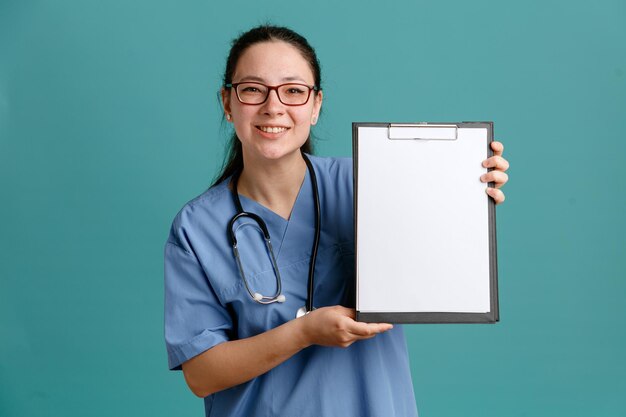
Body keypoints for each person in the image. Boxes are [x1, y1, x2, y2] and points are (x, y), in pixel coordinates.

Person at [164, 25, 509, 417]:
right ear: (228, 103)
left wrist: (467, 186)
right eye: (253, 89)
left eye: (293, 90)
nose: (273, 106)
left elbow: (440, 251)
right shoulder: (197, 228)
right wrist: (304, 332)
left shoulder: (371, 183)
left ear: (315, 105)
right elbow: (202, 375)